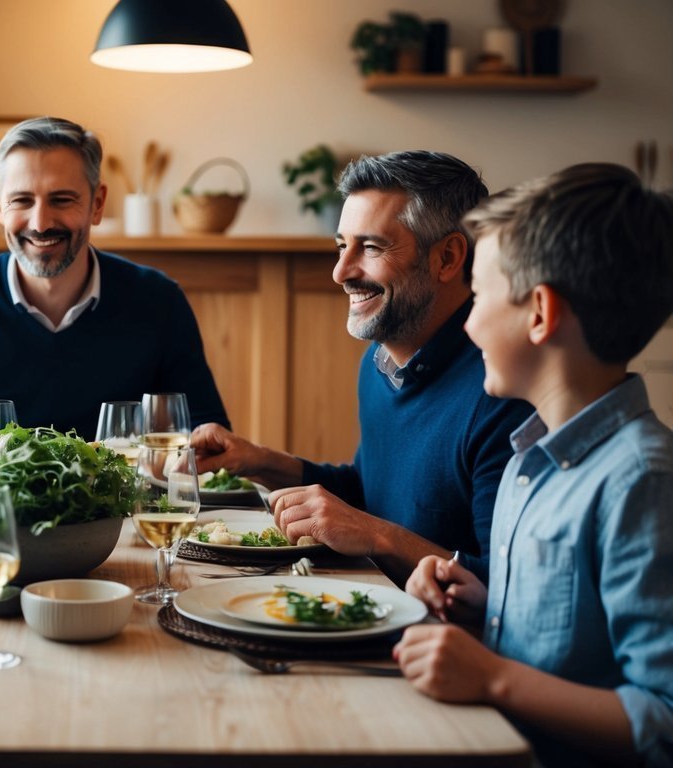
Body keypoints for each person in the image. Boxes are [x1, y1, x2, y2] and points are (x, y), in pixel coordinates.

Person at [396, 163, 673, 766]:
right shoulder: (531, 457)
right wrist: (487, 604)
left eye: (479, 297)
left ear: (540, 312)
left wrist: (494, 677)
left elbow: (663, 718)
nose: (467, 322)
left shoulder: (642, 480)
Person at [192, 151, 533, 584]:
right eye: (341, 246)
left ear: (447, 258)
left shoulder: (504, 393)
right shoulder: (379, 362)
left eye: (371, 247)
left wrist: (376, 536)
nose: (340, 272)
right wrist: (261, 461)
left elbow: (503, 592)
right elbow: (369, 492)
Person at [0, 116, 229, 476]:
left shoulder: (160, 301)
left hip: (124, 528)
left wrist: (190, 457)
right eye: (21, 200)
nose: (40, 223)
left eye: (62, 199)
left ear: (97, 203)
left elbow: (205, 434)